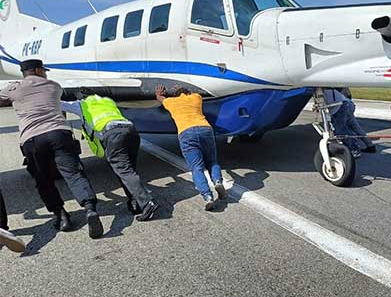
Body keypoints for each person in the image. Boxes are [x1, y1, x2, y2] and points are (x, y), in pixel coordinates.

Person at [0, 60, 103, 239]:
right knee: (74, 173)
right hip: (59, 133)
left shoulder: (13, 88)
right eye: (44, 71)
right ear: (39, 70)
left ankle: (61, 216)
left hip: (32, 138)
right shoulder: (54, 86)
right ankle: (89, 209)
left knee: (43, 179)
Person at [61, 93, 160, 221]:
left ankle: (147, 203)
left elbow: (58, 103)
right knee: (128, 171)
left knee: (124, 171)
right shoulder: (108, 101)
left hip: (112, 134)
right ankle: (135, 203)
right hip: (130, 131)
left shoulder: (81, 104)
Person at [155, 85, 227, 211]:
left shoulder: (171, 102)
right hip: (204, 128)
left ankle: (208, 197)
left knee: (196, 168)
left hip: (186, 133)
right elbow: (195, 90)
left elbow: (159, 98)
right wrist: (184, 87)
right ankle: (217, 182)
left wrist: (160, 93)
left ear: (175, 95)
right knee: (212, 162)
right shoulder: (196, 97)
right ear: (188, 93)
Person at [324, 89, 376, 158]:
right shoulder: (335, 87)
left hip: (341, 106)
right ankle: (369, 145)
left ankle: (354, 148)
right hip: (347, 103)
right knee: (355, 127)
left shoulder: (324, 88)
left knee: (340, 130)